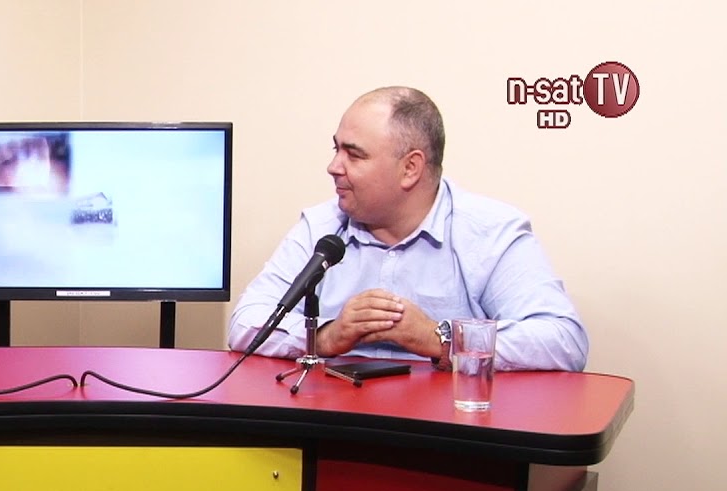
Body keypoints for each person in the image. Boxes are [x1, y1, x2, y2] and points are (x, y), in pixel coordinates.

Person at [228, 87, 588, 372]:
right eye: (336, 149)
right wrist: (325, 336)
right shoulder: (322, 229)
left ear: (410, 169)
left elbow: (563, 340)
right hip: (336, 426)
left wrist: (440, 340)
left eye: (354, 154)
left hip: (447, 432)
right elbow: (245, 322)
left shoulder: (489, 231)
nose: (333, 166)